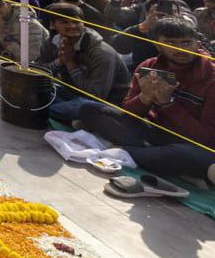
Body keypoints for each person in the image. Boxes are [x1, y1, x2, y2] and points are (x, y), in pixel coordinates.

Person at [78, 18, 215, 186]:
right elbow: (129, 113)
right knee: (89, 109)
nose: (180, 49)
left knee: (184, 154)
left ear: (198, 44)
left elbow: (206, 139)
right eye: (170, 43)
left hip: (192, 145)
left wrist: (168, 105)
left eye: (186, 43)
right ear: (157, 45)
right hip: (153, 132)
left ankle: (129, 152)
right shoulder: (149, 66)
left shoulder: (211, 78)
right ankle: (158, 159)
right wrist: (144, 98)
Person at [35, 3, 130, 122]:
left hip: (102, 105)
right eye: (65, 22)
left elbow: (96, 96)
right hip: (70, 94)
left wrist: (71, 64)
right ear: (53, 25)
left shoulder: (102, 53)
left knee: (80, 107)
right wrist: (60, 61)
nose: (72, 26)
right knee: (35, 89)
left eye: (76, 21)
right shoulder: (53, 42)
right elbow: (38, 71)